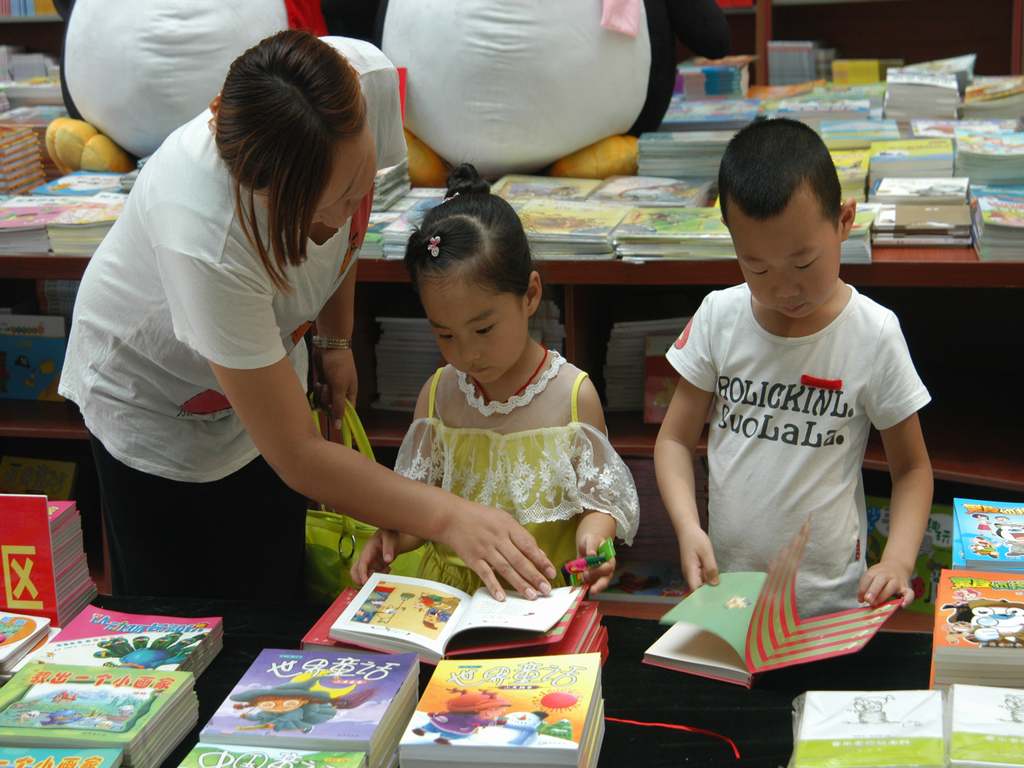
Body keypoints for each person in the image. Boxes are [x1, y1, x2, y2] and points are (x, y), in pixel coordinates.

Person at [58, 31, 555, 601]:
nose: (354, 206)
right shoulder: (207, 236)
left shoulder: (360, 85)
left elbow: (345, 240)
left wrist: (334, 339)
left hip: (262, 379)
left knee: (276, 588)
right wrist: (449, 517)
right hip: (155, 399)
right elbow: (297, 454)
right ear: (271, 195)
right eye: (336, 199)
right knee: (181, 618)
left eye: (360, 181)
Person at [654, 118, 934, 616]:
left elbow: (912, 469)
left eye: (804, 263)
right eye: (757, 267)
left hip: (829, 605)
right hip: (729, 598)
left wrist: (897, 560)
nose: (784, 288)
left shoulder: (873, 333)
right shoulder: (719, 317)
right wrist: (687, 527)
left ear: (844, 222)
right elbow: (674, 440)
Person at [352, 164, 639, 596]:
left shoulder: (573, 396)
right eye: (445, 334)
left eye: (483, 329)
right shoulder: (437, 397)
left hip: (537, 598)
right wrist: (392, 538)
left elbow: (599, 502)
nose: (467, 353)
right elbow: (420, 508)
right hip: (450, 601)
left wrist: (596, 538)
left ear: (530, 295)